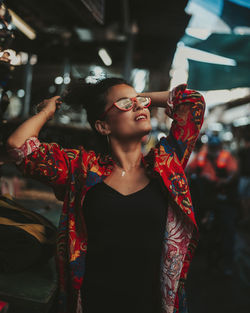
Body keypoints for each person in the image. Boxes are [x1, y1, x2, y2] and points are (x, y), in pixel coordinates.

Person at [6, 78, 205, 313]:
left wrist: (135, 97)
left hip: (153, 305)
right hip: (93, 303)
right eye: (124, 104)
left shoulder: (166, 165)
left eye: (140, 102)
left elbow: (192, 102)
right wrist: (48, 112)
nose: (140, 106)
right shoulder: (81, 168)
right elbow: (18, 146)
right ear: (103, 126)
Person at [187, 135, 238, 275]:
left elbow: (233, 173)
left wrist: (224, 182)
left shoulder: (226, 157)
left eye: (216, 147)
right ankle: (197, 249)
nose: (213, 150)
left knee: (228, 228)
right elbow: (189, 170)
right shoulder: (201, 157)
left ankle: (227, 262)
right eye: (212, 147)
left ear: (220, 147)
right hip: (204, 199)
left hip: (223, 199)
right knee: (195, 224)